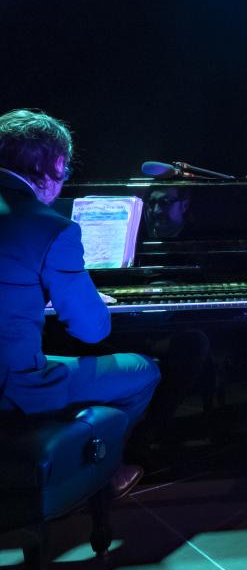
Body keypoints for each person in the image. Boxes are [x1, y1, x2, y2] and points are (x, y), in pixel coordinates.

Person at [0, 109, 160, 498]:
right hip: (13, 387)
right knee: (143, 370)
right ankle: (97, 471)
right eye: (64, 170)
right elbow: (92, 330)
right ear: (51, 164)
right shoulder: (49, 225)